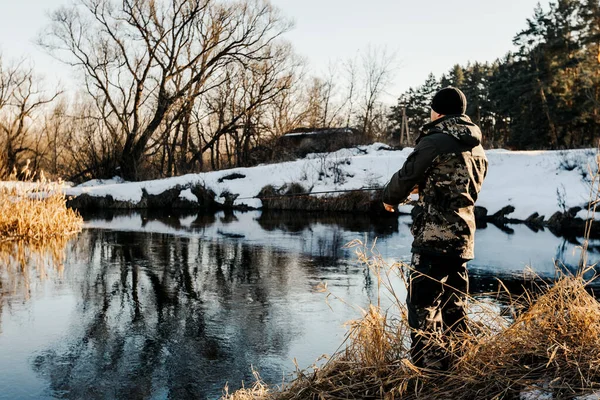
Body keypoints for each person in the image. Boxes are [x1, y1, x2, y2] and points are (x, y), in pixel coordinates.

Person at [382, 87, 488, 369]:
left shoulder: (436, 139)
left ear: (438, 111)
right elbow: (457, 184)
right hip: (463, 238)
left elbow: (406, 175)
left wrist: (388, 199)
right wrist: (429, 186)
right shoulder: (476, 145)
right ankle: (458, 368)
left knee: (422, 306)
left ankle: (426, 374)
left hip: (433, 238)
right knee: (455, 308)